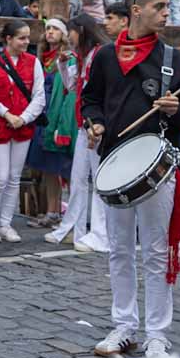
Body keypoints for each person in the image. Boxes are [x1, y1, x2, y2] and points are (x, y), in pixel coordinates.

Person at [83, 0, 180, 358]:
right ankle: (124, 325)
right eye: (160, 7)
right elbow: (91, 100)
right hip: (115, 163)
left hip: (157, 167)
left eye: (167, 7)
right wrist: (94, 123)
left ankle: (157, 332)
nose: (166, 14)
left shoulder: (173, 59)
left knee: (156, 251)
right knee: (119, 250)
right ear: (136, 10)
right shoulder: (105, 57)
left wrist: (175, 110)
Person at [45, 13, 110, 253]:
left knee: (98, 180)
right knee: (79, 179)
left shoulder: (99, 54)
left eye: (71, 32)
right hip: (85, 125)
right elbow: (72, 85)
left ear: (80, 31)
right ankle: (74, 228)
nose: (68, 38)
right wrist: (63, 64)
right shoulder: (83, 57)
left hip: (96, 126)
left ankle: (98, 233)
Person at [0, 18, 47, 243]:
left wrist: (24, 118)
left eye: (28, 38)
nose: (26, 42)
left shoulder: (33, 62)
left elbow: (39, 95)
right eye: (22, 38)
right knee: (0, 177)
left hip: (22, 126)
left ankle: (5, 223)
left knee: (15, 177)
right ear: (8, 39)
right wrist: (7, 114)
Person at [26, 17, 74, 228]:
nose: (50, 32)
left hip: (60, 118)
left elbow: (69, 91)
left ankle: (73, 215)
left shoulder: (68, 58)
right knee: (48, 169)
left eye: (55, 28)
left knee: (68, 169)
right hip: (43, 118)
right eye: (48, 28)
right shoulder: (41, 58)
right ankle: (52, 211)